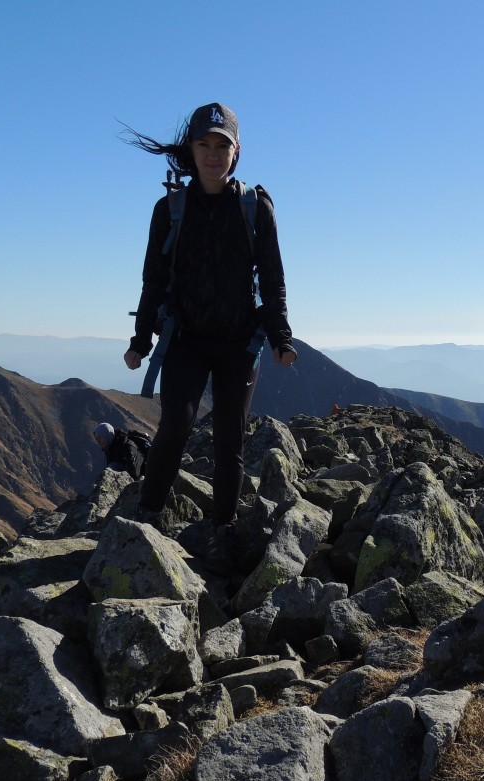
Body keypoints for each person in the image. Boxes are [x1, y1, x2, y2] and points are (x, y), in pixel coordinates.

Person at [122, 102, 297, 526]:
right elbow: (153, 279)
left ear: (237, 151)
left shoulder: (256, 208)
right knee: (175, 426)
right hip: (186, 339)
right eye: (204, 144)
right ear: (191, 149)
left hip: (240, 343)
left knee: (229, 439)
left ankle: (223, 531)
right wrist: (141, 340)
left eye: (222, 145)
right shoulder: (170, 210)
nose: (213, 154)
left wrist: (281, 337)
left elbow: (272, 277)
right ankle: (145, 521)